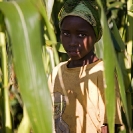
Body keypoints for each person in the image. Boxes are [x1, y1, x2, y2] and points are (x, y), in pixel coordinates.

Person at [48, 0, 122, 132]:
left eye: (81, 35)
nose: (72, 42)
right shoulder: (56, 72)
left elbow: (110, 124)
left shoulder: (103, 73)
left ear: (95, 36)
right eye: (66, 33)